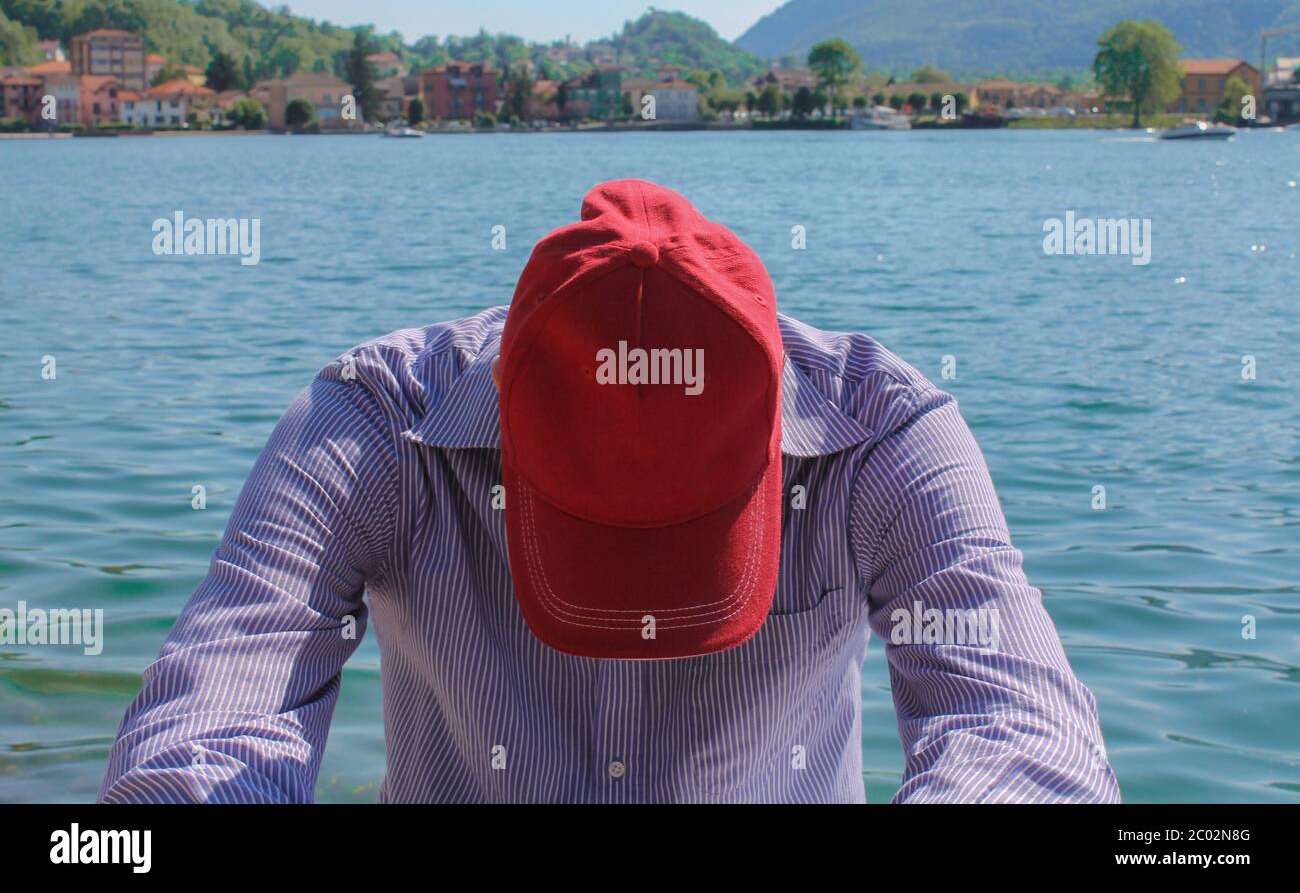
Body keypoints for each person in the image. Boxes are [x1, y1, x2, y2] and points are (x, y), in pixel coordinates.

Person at [100, 179, 1121, 803]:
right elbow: (221, 695)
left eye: (680, 541)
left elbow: (1025, 732)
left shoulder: (883, 434)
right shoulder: (376, 421)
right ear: (507, 416)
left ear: (772, 425)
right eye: (599, 536)